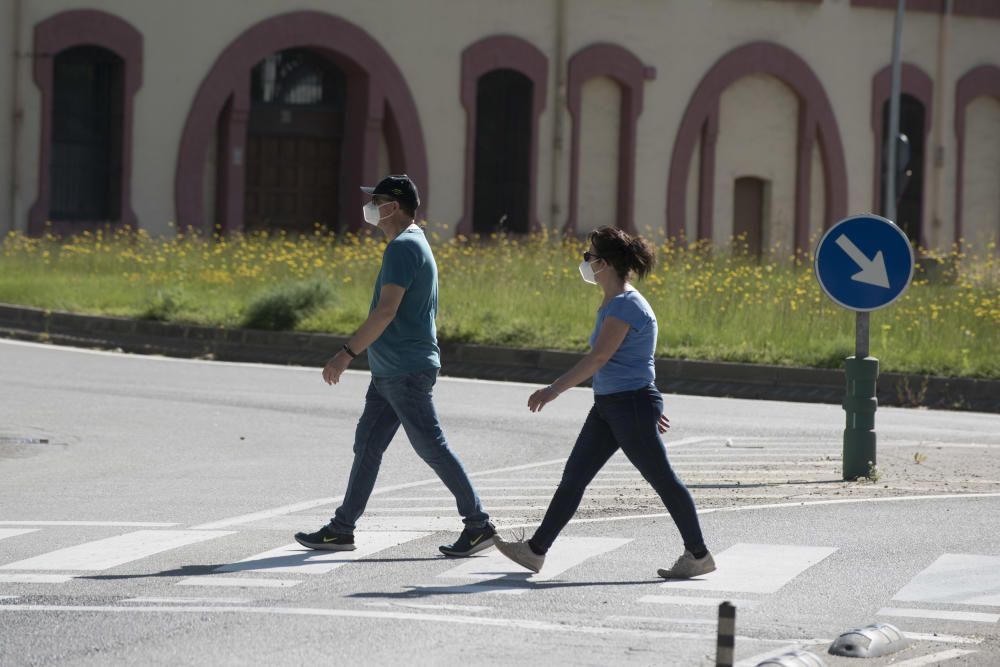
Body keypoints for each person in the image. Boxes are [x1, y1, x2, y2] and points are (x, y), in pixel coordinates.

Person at [493, 226, 714, 579]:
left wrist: (552, 390)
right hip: (613, 406)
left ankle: (698, 553)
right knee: (574, 478)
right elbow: (629, 361)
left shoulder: (626, 305)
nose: (585, 263)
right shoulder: (614, 302)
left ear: (605, 263)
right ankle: (536, 550)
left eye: (589, 257)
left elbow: (598, 358)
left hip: (629, 405)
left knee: (663, 480)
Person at [295, 174, 495, 557]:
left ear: (395, 206)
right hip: (390, 370)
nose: (370, 206)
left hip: (406, 370)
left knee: (431, 447)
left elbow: (386, 311)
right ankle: (341, 529)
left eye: (377, 200)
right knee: (367, 445)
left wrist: (345, 353)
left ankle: (478, 524)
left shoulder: (404, 247)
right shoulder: (406, 244)